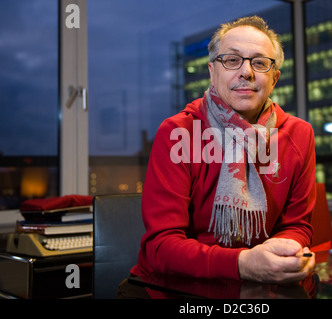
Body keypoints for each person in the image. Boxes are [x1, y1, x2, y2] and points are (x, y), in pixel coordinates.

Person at [120, 15, 316, 297]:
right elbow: (161, 247)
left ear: (273, 79)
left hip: (258, 289)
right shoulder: (177, 131)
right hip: (170, 290)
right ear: (212, 71)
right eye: (232, 60)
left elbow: (297, 226)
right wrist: (243, 263)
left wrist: (284, 250)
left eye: (260, 63)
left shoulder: (300, 134)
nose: (246, 72)